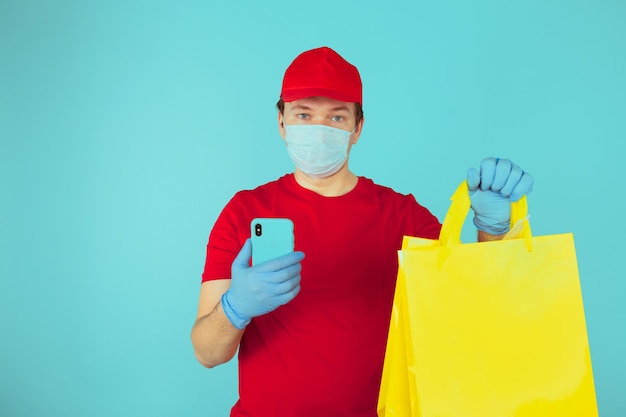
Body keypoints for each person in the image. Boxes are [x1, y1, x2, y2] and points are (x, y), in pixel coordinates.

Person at [190, 46, 533, 416]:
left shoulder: (404, 217)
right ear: (281, 122)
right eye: (303, 115)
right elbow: (207, 353)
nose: (318, 132)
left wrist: (492, 233)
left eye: (336, 118)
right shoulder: (244, 212)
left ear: (357, 128)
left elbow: (473, 310)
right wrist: (235, 308)